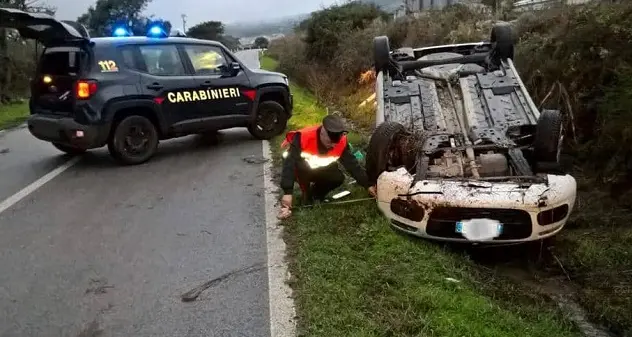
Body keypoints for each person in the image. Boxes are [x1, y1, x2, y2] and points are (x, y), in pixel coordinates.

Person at [277, 114, 377, 219]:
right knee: (302, 169)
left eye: (336, 143)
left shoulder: (340, 141)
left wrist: (368, 185)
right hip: (300, 170)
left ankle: (315, 194)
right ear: (322, 132)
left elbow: (352, 165)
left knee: (338, 177)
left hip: (320, 168)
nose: (333, 146)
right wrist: (288, 192)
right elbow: (290, 163)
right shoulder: (303, 137)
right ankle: (305, 194)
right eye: (330, 142)